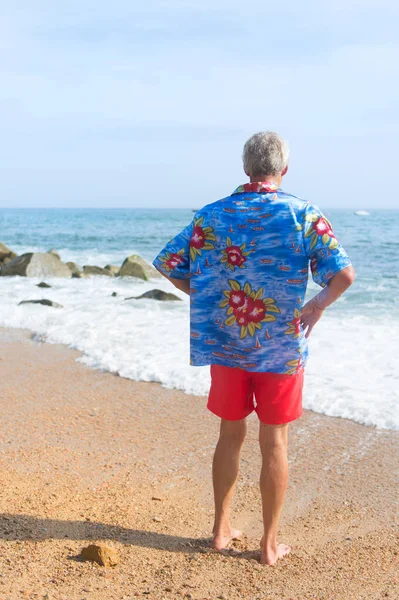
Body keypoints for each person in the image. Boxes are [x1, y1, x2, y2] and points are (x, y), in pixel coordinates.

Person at [152, 132, 355, 565]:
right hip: (281, 348)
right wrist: (315, 307)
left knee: (229, 435)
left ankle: (221, 531)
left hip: (227, 345)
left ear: (246, 168)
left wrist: (206, 297)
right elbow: (344, 276)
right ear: (284, 170)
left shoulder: (211, 214)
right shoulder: (302, 213)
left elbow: (167, 263)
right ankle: (268, 545)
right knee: (275, 443)